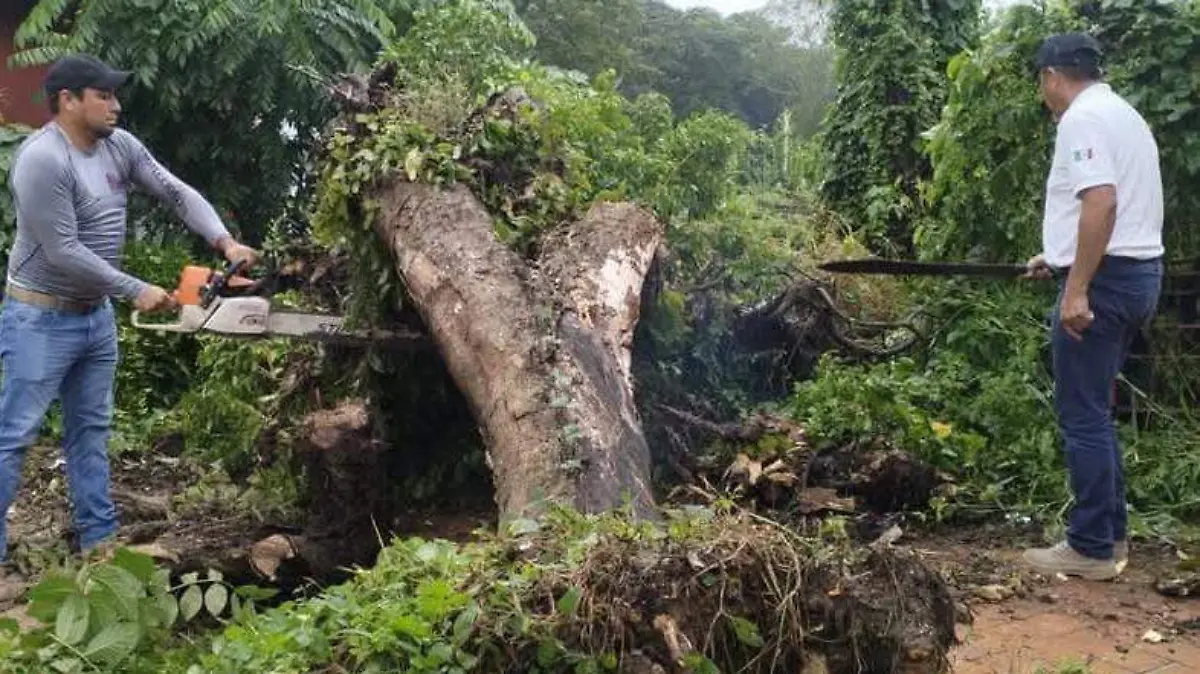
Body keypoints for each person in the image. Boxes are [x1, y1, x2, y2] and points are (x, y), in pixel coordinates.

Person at [0, 54, 258, 592]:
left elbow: (175, 191)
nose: (116, 105)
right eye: (103, 95)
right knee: (15, 437)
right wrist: (135, 289)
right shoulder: (43, 160)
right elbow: (63, 249)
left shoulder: (120, 145)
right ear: (68, 100)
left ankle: (99, 544)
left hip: (93, 318)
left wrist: (223, 240)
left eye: (114, 96)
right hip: (39, 318)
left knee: (90, 434)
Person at [1022, 33, 1164, 580]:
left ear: (1054, 75)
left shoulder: (1081, 119)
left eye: (1042, 83)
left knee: (1082, 415)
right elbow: (1117, 210)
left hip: (1105, 283)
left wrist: (1077, 287)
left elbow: (1101, 202)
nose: (1044, 94)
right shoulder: (1123, 113)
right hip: (1136, 275)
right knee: (1096, 416)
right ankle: (1111, 534)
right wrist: (1058, 259)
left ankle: (1089, 547)